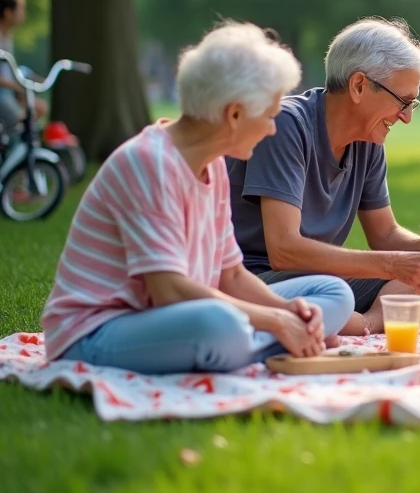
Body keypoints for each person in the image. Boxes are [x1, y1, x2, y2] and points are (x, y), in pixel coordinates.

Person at [40, 24, 354, 374]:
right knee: (222, 326)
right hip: (95, 332)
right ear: (234, 114)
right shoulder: (150, 163)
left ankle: (281, 341)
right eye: (268, 116)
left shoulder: (212, 165)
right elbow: (168, 290)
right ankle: (277, 344)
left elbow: (231, 275)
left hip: (175, 319)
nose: (272, 129)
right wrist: (277, 321)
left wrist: (287, 312)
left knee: (334, 293)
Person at [227, 18, 420, 337]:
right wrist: (392, 265)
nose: (407, 117)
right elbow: (283, 251)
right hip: (259, 280)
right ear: (359, 86)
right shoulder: (287, 126)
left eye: (413, 104)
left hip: (323, 279)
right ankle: (358, 320)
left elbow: (385, 235)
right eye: (402, 101)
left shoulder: (368, 139)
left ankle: (364, 324)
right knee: (335, 295)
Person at [0, 0, 47, 131]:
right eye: (21, 9)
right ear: (8, 12)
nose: (23, 14)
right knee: (17, 120)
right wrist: (19, 86)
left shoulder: (8, 36)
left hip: (8, 92)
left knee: (39, 108)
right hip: (3, 95)